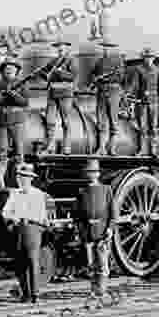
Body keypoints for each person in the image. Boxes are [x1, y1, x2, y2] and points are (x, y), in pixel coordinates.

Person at [2, 163, 48, 303]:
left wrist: (27, 218)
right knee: (20, 262)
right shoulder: (14, 194)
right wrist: (13, 218)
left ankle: (35, 294)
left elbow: (41, 215)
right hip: (18, 229)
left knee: (33, 261)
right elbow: (6, 212)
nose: (22, 180)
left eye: (25, 178)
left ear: (31, 179)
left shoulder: (38, 194)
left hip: (33, 228)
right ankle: (26, 294)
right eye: (20, 178)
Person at [0, 57, 29, 189]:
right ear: (3, 71)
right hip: (3, 121)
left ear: (16, 70)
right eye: (7, 68)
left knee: (19, 153)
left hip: (18, 121)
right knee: (2, 152)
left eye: (12, 68)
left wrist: (13, 94)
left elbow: (25, 103)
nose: (9, 70)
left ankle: (21, 181)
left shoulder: (22, 83)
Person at [73, 160, 114, 296]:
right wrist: (80, 230)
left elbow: (112, 212)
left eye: (94, 172)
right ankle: (93, 288)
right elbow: (77, 214)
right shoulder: (82, 191)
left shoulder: (106, 190)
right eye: (89, 172)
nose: (92, 175)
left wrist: (110, 228)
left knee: (102, 261)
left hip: (102, 229)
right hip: (87, 230)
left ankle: (101, 289)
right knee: (90, 262)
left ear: (98, 174)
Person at [89, 38, 124, 155]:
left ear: (112, 48)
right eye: (104, 47)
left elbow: (120, 77)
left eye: (108, 47)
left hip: (113, 91)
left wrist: (103, 78)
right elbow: (92, 75)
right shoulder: (99, 62)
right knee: (101, 121)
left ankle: (112, 148)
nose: (106, 49)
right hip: (101, 92)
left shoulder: (118, 61)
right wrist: (95, 80)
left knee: (113, 121)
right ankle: (101, 147)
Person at [129, 47, 159, 157]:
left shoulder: (158, 71)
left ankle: (154, 150)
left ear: (153, 59)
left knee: (154, 127)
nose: (148, 60)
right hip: (143, 103)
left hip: (154, 102)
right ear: (144, 58)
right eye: (146, 58)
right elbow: (135, 86)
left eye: (150, 58)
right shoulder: (139, 70)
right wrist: (131, 97)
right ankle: (142, 150)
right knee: (143, 127)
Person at [44, 39, 78, 155]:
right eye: (58, 47)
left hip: (65, 93)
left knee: (66, 121)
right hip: (52, 93)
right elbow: (44, 73)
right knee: (49, 120)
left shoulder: (71, 60)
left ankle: (67, 146)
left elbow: (73, 76)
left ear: (67, 48)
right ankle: (50, 145)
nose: (60, 49)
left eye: (62, 47)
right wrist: (45, 74)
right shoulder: (53, 61)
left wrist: (60, 73)